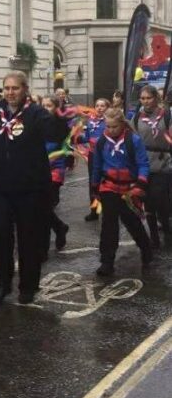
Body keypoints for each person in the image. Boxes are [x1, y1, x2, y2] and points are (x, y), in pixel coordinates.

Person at [0, 71, 68, 306]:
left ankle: (28, 286)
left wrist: (60, 117)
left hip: (30, 190)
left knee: (29, 239)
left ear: (25, 89)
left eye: (15, 88)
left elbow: (55, 132)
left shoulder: (36, 114)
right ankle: (3, 283)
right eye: (7, 88)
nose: (11, 92)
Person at [92, 108, 153, 276]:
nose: (111, 130)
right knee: (109, 225)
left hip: (129, 189)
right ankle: (107, 261)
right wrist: (95, 186)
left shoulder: (133, 140)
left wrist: (141, 183)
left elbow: (143, 163)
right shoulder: (101, 142)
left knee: (132, 222)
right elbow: (96, 164)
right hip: (109, 187)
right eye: (108, 126)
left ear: (122, 124)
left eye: (114, 127)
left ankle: (146, 249)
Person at [130, 85, 171, 249]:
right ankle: (154, 236)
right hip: (144, 164)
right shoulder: (136, 118)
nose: (146, 101)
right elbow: (132, 141)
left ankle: (166, 223)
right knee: (148, 200)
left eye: (149, 98)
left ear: (156, 98)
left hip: (163, 163)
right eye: (142, 98)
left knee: (159, 197)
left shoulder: (166, 115)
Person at [41, 95, 69, 255]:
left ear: (55, 107)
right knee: (42, 208)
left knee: (44, 208)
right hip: (39, 171)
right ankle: (59, 227)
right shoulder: (37, 123)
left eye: (49, 105)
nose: (45, 108)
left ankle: (43, 249)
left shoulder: (60, 124)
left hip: (54, 171)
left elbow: (57, 149)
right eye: (43, 105)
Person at [83, 98, 110, 221]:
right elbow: (87, 137)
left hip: (107, 156)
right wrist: (77, 138)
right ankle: (94, 211)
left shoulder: (110, 121)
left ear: (107, 108)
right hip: (93, 155)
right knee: (93, 183)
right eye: (97, 105)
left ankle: (108, 210)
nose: (99, 108)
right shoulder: (90, 121)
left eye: (102, 106)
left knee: (106, 183)